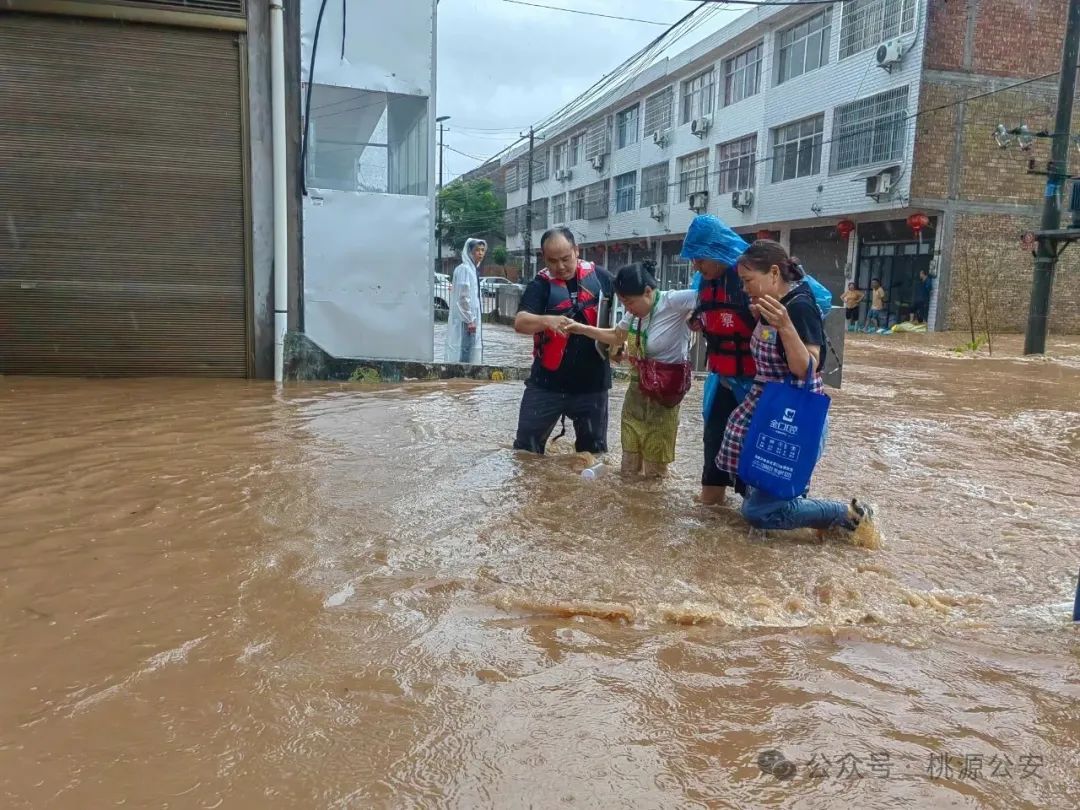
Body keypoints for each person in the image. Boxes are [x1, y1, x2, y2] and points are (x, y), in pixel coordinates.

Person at [717, 240, 876, 534]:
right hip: (769, 411)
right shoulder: (769, 307)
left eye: (748, 280)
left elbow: (808, 367)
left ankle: (850, 516)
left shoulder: (799, 308)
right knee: (763, 498)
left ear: (774, 274)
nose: (744, 288)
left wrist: (786, 327)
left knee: (758, 511)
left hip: (795, 419)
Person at [566, 261, 697, 477]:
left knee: (654, 474)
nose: (627, 309)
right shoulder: (635, 315)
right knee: (628, 468)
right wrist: (582, 329)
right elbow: (617, 336)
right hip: (636, 393)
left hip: (663, 397)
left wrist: (697, 316)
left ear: (647, 292)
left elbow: (707, 297)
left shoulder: (674, 301)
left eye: (630, 302)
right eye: (623, 303)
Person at [513, 227, 614, 455]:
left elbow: (629, 312)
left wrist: (623, 344)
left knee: (593, 456)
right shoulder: (540, 285)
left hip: (592, 386)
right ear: (544, 258)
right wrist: (546, 320)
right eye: (553, 261)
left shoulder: (602, 279)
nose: (560, 267)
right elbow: (520, 322)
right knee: (525, 454)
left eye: (566, 259)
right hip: (546, 385)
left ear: (576, 251)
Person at [681, 215, 756, 505]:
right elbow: (704, 310)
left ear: (716, 252)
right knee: (714, 447)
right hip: (723, 381)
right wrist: (697, 319)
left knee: (752, 454)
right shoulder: (704, 280)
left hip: (758, 387)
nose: (695, 266)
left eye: (700, 259)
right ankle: (710, 512)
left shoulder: (752, 278)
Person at [445, 238, 487, 364]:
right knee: (465, 348)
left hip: (471, 318)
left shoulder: (472, 270)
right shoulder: (465, 269)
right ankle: (462, 375)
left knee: (469, 348)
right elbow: (463, 297)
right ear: (470, 252)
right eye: (477, 250)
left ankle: (466, 375)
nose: (480, 253)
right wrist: (469, 320)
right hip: (467, 320)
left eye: (482, 250)